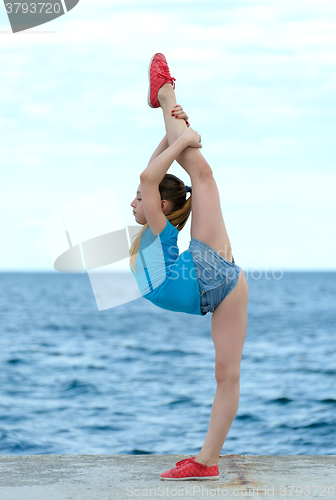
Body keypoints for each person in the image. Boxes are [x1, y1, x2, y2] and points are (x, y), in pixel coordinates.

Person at [129, 53, 249, 481]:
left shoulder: (159, 230)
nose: (132, 203)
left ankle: (165, 93)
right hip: (220, 288)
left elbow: (148, 179)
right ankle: (207, 462)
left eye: (138, 201)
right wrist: (175, 136)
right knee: (225, 376)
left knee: (203, 174)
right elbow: (149, 176)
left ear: (160, 207)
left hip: (206, 273)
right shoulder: (156, 228)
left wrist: (179, 136)